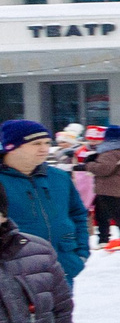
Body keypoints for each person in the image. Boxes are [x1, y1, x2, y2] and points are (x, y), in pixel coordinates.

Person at [0, 120, 89, 283]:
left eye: (47, 142)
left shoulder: (59, 177)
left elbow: (77, 214)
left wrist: (81, 253)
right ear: (11, 147)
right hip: (15, 275)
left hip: (62, 268)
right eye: (36, 143)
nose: (44, 149)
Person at [85, 126, 120, 248]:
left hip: (111, 189)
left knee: (118, 215)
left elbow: (103, 169)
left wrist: (89, 164)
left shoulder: (110, 152)